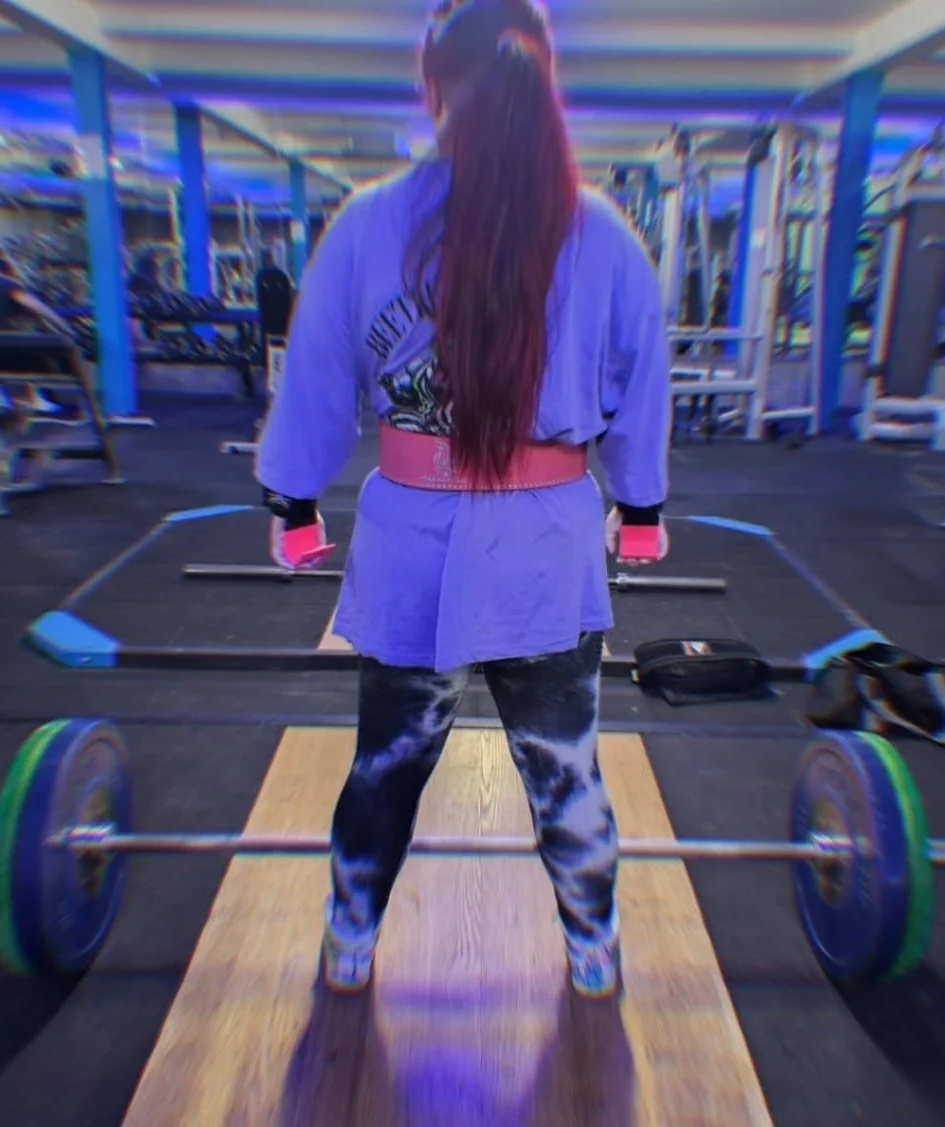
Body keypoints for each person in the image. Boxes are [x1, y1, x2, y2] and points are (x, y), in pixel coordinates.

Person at [255, 0, 672, 1001]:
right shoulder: (605, 233)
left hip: (416, 540)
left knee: (388, 763)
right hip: (545, 544)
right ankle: (594, 950)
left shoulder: (367, 222)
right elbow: (641, 383)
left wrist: (294, 502)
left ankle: (350, 940)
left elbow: (316, 380)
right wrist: (643, 506)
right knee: (565, 769)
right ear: (544, 81)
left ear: (432, 86)